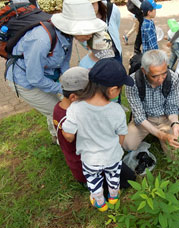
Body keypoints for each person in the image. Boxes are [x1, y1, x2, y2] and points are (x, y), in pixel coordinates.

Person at [5, 0, 105, 142]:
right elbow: (35, 78)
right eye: (88, 30)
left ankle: (55, 134)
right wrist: (64, 89)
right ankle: (64, 142)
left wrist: (71, 86)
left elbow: (64, 63)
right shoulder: (41, 39)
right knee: (59, 110)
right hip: (25, 82)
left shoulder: (68, 36)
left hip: (47, 75)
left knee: (65, 103)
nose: (91, 35)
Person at [62, 58, 134, 212]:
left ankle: (99, 202)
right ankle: (114, 197)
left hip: (90, 159)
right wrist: (115, 148)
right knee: (114, 177)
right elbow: (121, 136)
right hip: (112, 156)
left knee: (94, 180)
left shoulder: (76, 108)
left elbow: (68, 136)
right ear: (113, 90)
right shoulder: (117, 111)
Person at [123, 49, 179, 158]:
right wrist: (162, 135)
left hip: (166, 118)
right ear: (144, 71)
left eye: (164, 74)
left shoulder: (173, 78)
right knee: (127, 144)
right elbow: (139, 116)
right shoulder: (132, 82)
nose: (160, 79)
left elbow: (172, 108)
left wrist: (175, 123)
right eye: (155, 76)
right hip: (144, 119)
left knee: (177, 154)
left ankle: (160, 134)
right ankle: (155, 135)